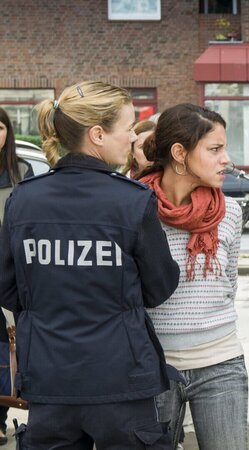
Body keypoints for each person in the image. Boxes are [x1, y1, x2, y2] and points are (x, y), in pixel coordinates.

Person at [0, 81, 179, 448]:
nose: (133, 138)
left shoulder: (23, 199)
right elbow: (159, 286)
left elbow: (6, 287)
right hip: (121, 380)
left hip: (49, 379)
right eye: (129, 128)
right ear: (97, 134)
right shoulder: (132, 200)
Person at [136, 103, 249, 449]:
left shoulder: (229, 211)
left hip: (221, 363)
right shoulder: (135, 208)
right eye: (214, 149)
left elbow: (229, 283)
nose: (225, 159)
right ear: (179, 154)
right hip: (152, 367)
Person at [0, 106, 34, 445]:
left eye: (0, 127)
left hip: (11, 266)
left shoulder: (22, 172)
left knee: (8, 344)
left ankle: (3, 411)